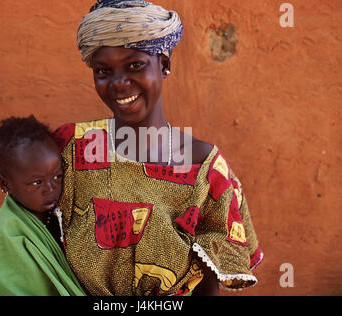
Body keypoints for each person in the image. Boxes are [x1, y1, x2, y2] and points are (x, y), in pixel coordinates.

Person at [52, 0, 263, 296]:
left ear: (164, 64)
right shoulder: (72, 149)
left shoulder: (204, 168)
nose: (119, 83)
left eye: (135, 65)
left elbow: (207, 285)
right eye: (103, 71)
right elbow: (28, 239)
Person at [0, 115, 86, 296]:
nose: (50, 189)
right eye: (36, 183)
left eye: (57, 176)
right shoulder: (12, 236)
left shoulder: (64, 208)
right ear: (6, 185)